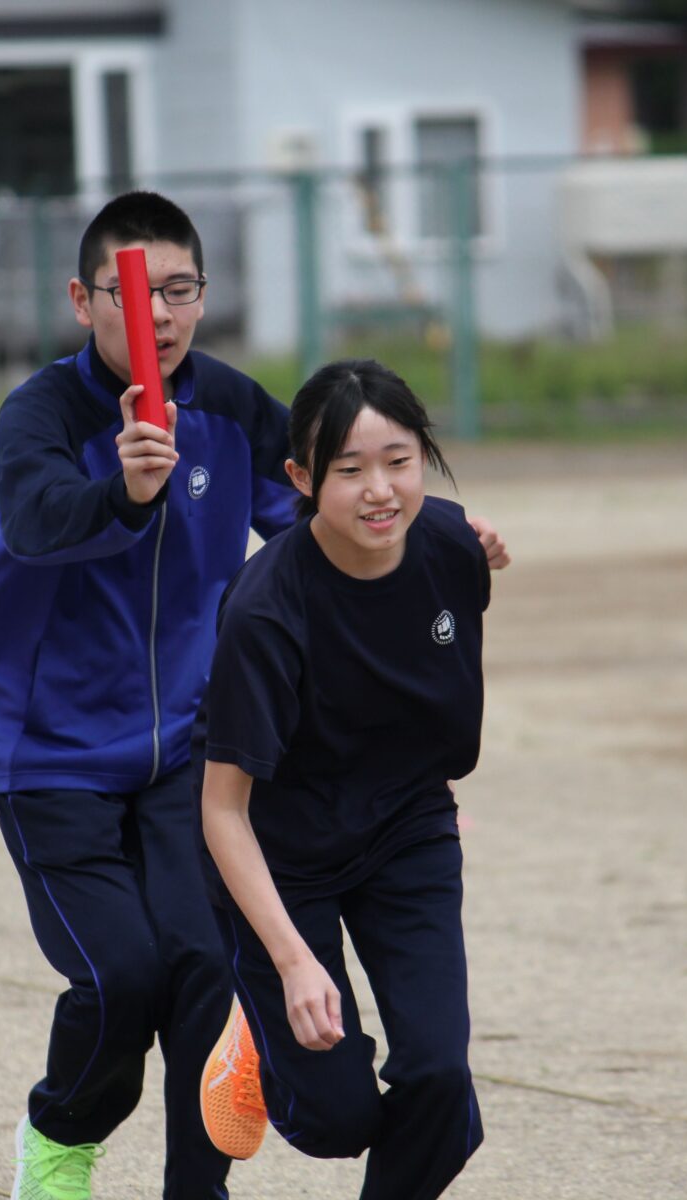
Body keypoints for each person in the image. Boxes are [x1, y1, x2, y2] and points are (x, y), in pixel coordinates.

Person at [0, 193, 507, 1200]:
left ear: (203, 299)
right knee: (123, 975)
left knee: (207, 963)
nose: (158, 314)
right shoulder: (43, 415)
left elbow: (331, 513)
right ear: (84, 302)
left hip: (182, 744)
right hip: (50, 750)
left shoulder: (232, 408)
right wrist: (121, 490)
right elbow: (34, 525)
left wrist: (442, 538)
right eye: (133, 293)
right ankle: (61, 1136)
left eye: (179, 290)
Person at [197, 359, 492, 1200]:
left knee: (438, 1079)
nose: (379, 492)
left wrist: (486, 548)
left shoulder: (450, 545)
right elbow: (223, 814)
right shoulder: (264, 612)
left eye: (398, 462)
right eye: (349, 470)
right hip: (281, 857)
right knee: (340, 1121)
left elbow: (434, 626)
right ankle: (252, 1034)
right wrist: (291, 964)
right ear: (300, 477)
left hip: (406, 829)